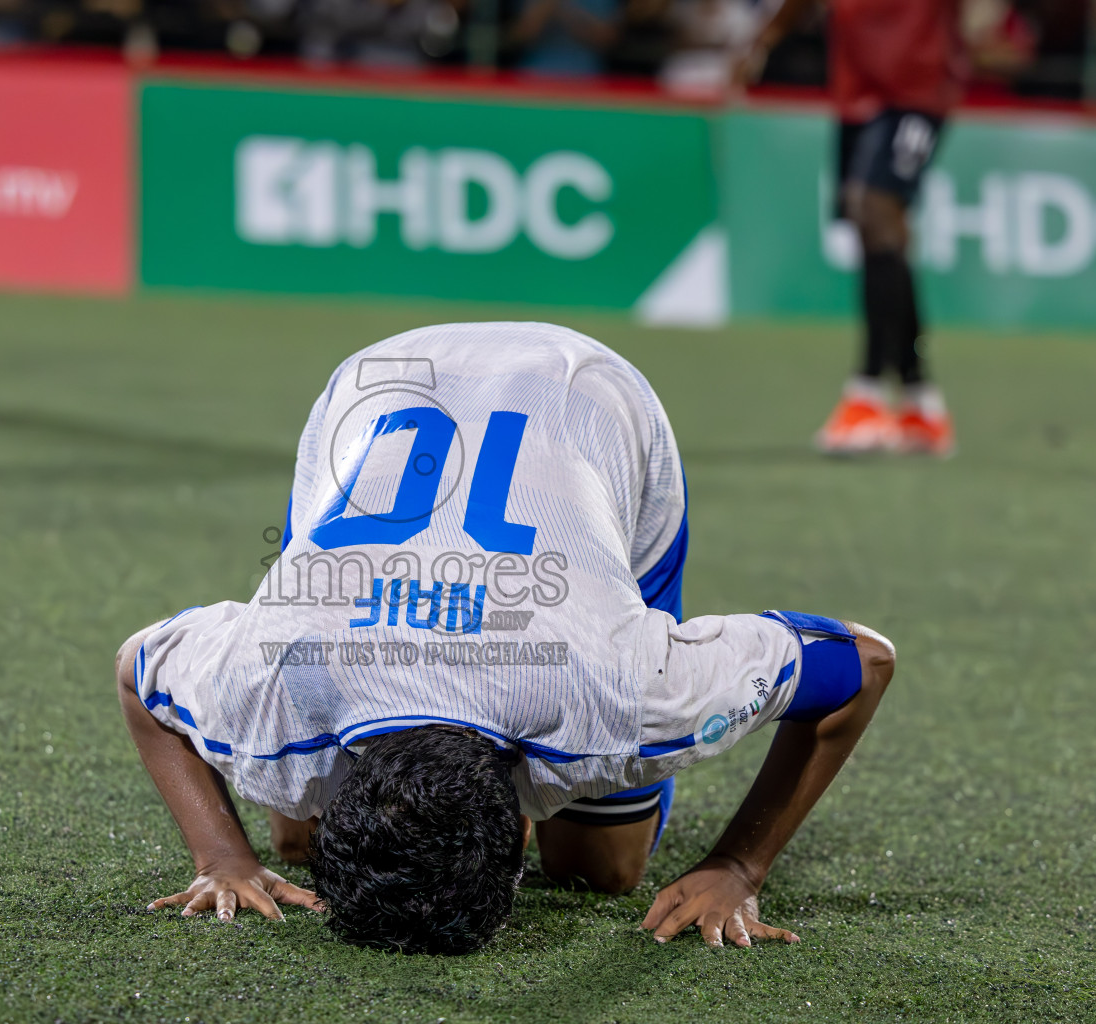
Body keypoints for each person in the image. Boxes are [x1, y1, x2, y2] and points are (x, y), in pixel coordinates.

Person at [116, 321, 897, 954]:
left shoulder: (623, 690)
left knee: (603, 872)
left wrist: (740, 865)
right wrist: (225, 857)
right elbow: (136, 672)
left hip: (585, 395)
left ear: (517, 834)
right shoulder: (263, 681)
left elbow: (864, 660)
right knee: (294, 837)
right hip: (383, 382)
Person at [740, 0, 963, 457]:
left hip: (917, 87)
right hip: (857, 92)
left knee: (874, 211)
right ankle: (920, 402)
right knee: (878, 234)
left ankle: (867, 394)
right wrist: (764, 38)